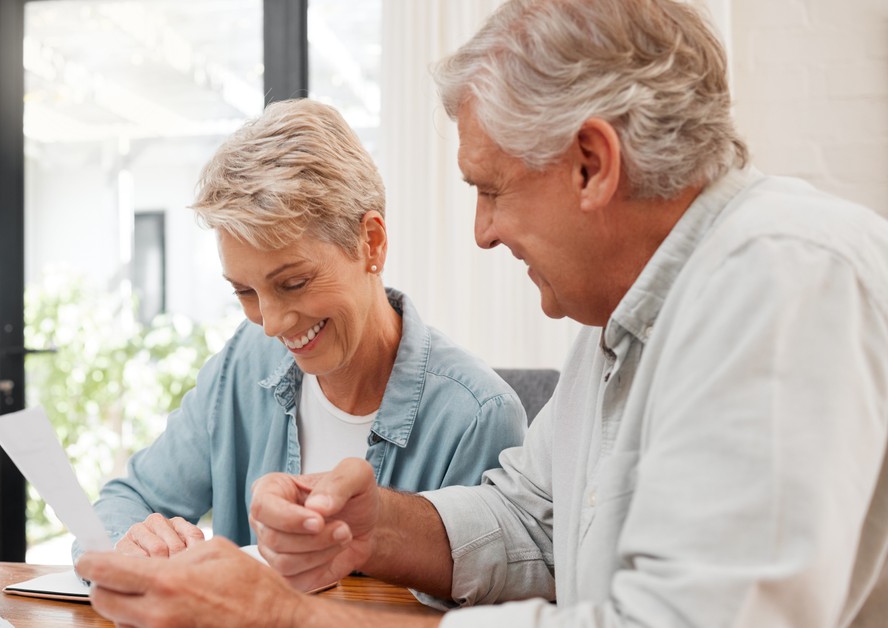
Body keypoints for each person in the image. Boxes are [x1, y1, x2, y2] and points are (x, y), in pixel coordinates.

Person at [75, 0, 888, 625]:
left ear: (591, 164)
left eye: (491, 189)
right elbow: (533, 523)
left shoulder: (782, 280)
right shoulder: (624, 326)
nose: (483, 231)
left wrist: (286, 615)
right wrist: (375, 527)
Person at [83, 98, 527, 559]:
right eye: (245, 292)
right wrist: (133, 542)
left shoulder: (477, 417)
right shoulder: (245, 363)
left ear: (370, 241)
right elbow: (124, 501)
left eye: (293, 283)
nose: (272, 324)